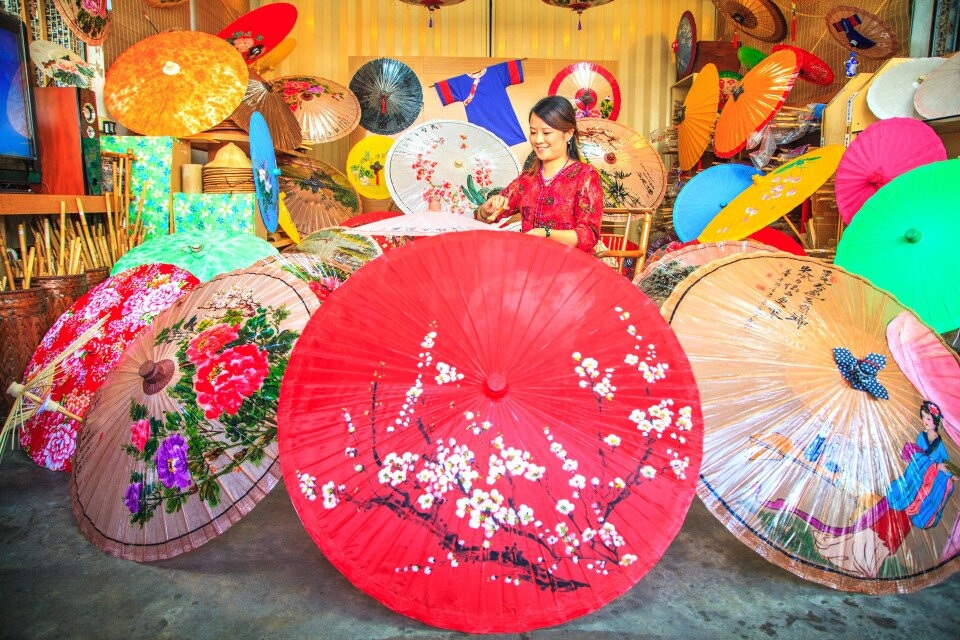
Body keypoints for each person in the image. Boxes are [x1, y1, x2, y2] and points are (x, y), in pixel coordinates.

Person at [476, 96, 604, 252]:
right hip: (531, 261)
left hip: (570, 263)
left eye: (546, 132)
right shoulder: (526, 179)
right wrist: (485, 210)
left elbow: (589, 235)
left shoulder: (585, 176)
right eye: (533, 132)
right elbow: (485, 218)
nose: (538, 140)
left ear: (568, 134)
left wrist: (546, 234)